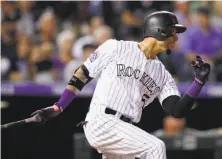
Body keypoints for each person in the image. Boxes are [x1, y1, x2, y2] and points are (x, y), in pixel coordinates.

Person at [30, 11, 210, 159]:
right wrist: (58, 106)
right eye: (173, 31)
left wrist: (198, 83)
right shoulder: (117, 48)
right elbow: (82, 75)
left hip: (125, 131)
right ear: (160, 30)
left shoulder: (163, 74)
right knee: (156, 147)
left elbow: (177, 110)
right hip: (103, 121)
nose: (176, 38)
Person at [153, 116, 222, 137]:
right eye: (175, 118)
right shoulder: (158, 135)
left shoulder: (187, 133)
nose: (181, 120)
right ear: (165, 121)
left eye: (181, 118)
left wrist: (218, 132)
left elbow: (205, 135)